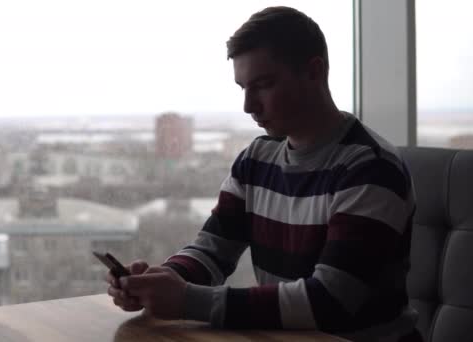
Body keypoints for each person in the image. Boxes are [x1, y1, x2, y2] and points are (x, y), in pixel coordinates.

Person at [107, 6, 419, 341]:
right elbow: (213, 250)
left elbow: (330, 302)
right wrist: (160, 281)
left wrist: (185, 299)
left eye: (264, 85)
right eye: (243, 87)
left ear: (315, 72)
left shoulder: (371, 168)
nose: (248, 106)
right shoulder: (257, 158)